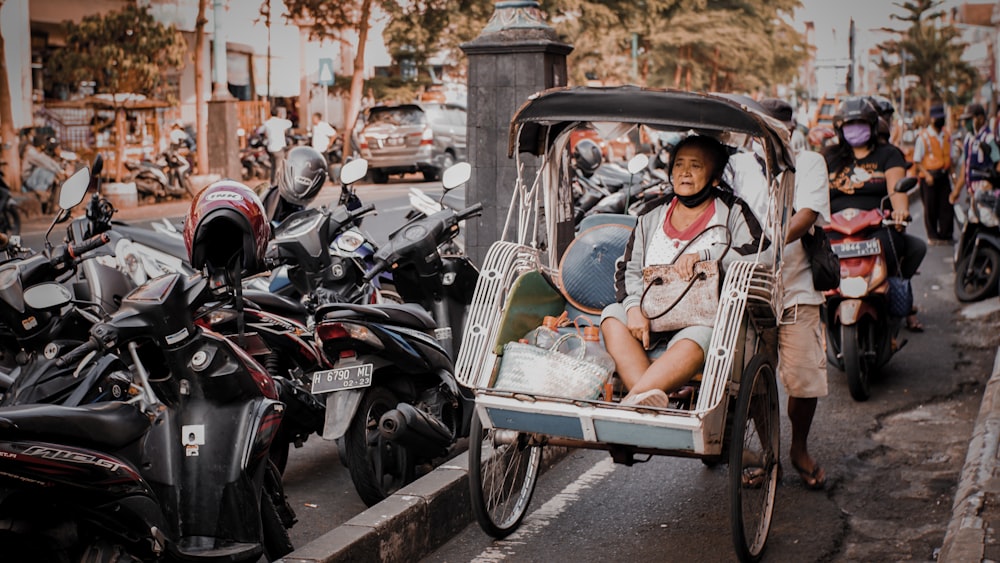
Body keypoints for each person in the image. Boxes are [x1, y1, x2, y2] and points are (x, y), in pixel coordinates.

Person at [601, 135, 768, 407]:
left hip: (701, 318)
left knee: (699, 337)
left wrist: (707, 256)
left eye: (696, 166)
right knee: (612, 317)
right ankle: (643, 401)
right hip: (649, 310)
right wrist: (633, 308)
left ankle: (628, 406)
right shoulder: (651, 213)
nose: (685, 172)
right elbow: (627, 268)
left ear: (715, 177)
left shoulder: (733, 211)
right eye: (679, 165)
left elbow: (763, 253)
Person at [761, 97, 832, 490]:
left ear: (789, 131)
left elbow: (806, 216)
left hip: (797, 286)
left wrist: (766, 246)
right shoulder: (739, 166)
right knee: (745, 377)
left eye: (776, 131)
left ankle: (798, 448)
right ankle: (762, 451)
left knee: (804, 379)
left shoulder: (809, 163)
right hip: (745, 286)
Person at [823, 97, 927, 332]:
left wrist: (901, 212)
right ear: (840, 129)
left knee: (910, 247)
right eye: (849, 124)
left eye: (860, 123)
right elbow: (815, 194)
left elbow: (896, 189)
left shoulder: (888, 154)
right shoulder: (828, 157)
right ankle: (821, 325)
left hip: (875, 229)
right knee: (815, 263)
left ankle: (891, 308)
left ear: (871, 125)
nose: (855, 129)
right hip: (835, 230)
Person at [913, 104, 956, 245]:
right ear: (931, 119)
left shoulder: (947, 136)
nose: (940, 120)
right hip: (929, 177)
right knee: (930, 208)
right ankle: (933, 236)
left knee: (946, 206)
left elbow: (950, 157)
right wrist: (927, 174)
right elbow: (917, 160)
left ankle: (946, 235)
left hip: (943, 175)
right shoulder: (923, 137)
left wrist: (953, 175)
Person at [951, 103, 1000, 208]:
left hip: (987, 196)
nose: (966, 123)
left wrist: (991, 183)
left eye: (970, 119)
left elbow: (998, 163)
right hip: (973, 195)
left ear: (981, 119)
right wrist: (957, 190)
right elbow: (965, 166)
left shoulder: (988, 138)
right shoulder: (969, 139)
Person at [262, 107, 292, 184]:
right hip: (279, 148)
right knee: (279, 167)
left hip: (270, 148)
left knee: (273, 166)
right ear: (278, 114)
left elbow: (260, 131)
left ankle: (272, 182)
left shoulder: (267, 123)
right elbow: (290, 123)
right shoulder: (281, 122)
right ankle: (276, 184)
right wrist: (282, 117)